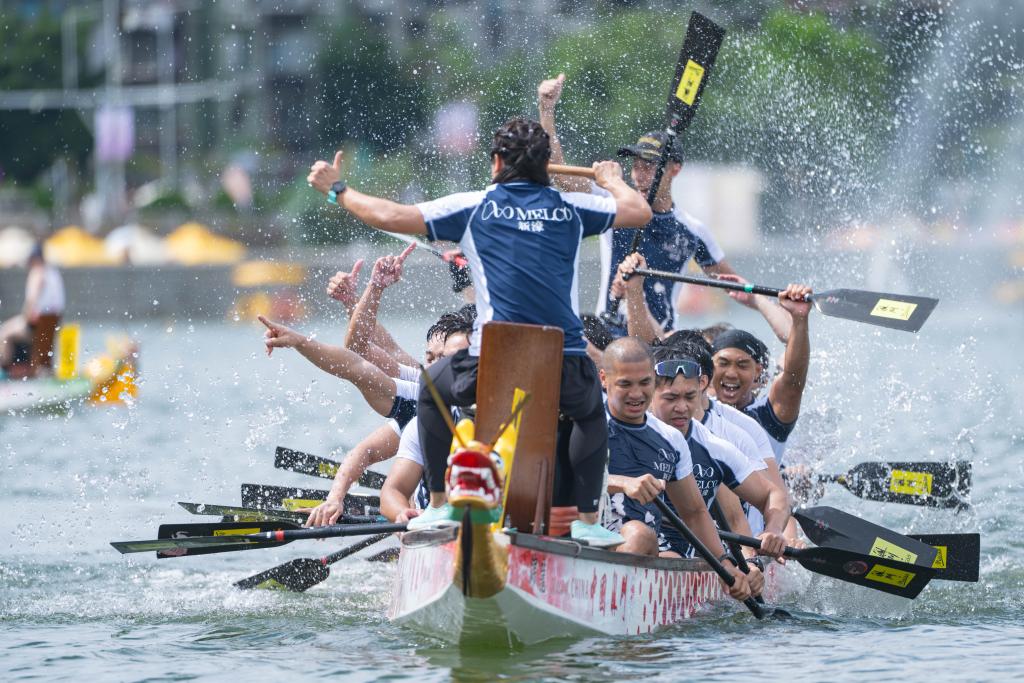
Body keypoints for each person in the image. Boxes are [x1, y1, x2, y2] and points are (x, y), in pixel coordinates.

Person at [306, 116, 652, 545]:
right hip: (565, 366)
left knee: (432, 387)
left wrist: (339, 189)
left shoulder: (473, 207)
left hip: (493, 367)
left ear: (495, 163)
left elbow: (389, 215)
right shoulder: (573, 209)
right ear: (547, 168)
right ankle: (585, 518)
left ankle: (437, 505)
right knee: (589, 413)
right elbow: (640, 211)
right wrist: (612, 180)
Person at [536, 74, 792, 342]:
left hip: (660, 345)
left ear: (675, 169)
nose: (638, 176)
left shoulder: (692, 231)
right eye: (635, 166)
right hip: (610, 340)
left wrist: (772, 305)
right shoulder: (614, 203)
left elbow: (735, 286)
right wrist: (547, 108)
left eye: (649, 166)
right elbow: (562, 177)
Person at [599, 336, 752, 602]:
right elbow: (558, 479)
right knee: (637, 533)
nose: (637, 394)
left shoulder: (671, 440)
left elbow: (694, 513)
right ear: (604, 380)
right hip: (581, 532)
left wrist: (726, 565)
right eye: (625, 384)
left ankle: (611, 606)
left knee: (639, 534)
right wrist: (620, 483)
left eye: (645, 383)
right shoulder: (586, 422)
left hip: (639, 545)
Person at [646, 345, 789, 564]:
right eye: (671, 398)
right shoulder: (623, 431)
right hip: (632, 540)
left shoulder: (713, 447)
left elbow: (773, 495)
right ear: (649, 394)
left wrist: (773, 531)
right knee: (640, 538)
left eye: (689, 396)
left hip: (681, 555)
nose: (682, 407)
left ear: (701, 388)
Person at [0, 243, 65, 375]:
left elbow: (32, 300)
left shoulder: (37, 272)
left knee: (4, 333)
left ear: (34, 259)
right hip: (52, 322)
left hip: (37, 324)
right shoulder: (53, 273)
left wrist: (25, 317)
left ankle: (4, 372)